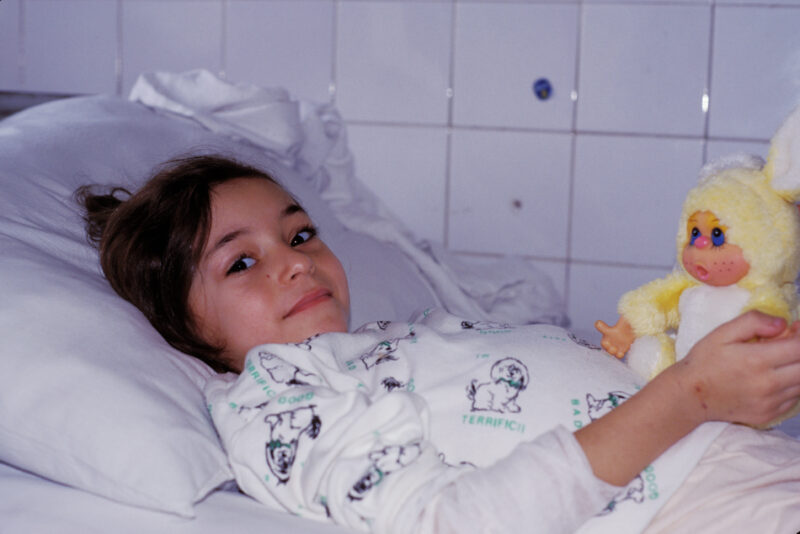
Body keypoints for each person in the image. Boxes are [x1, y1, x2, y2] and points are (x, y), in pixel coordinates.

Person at [79, 155, 800, 534]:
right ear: (183, 324)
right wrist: (689, 394)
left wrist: (686, 369)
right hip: (689, 513)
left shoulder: (402, 337)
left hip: (737, 459)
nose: (294, 259)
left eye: (299, 234)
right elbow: (451, 522)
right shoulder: (280, 401)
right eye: (241, 261)